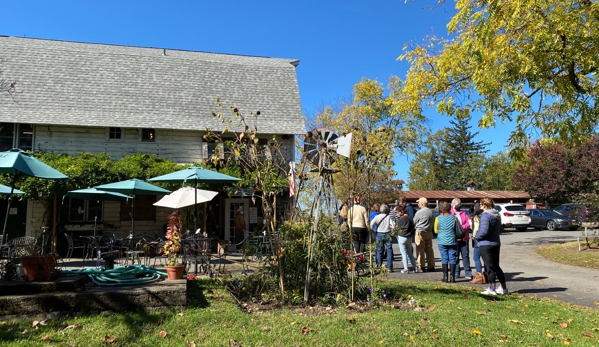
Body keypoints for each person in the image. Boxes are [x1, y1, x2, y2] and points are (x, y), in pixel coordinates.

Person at [475, 198, 508, 295]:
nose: (480, 207)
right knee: (496, 266)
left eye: (481, 205)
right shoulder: (497, 214)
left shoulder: (485, 215)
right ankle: (503, 288)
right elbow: (499, 229)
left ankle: (491, 288)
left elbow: (484, 231)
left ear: (484, 205)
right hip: (496, 243)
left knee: (490, 268)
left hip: (485, 244)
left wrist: (476, 237)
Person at [434, 201, 458, 282]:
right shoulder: (454, 217)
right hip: (452, 240)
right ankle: (452, 277)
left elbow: (436, 230)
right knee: (452, 258)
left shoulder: (437, 218)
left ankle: (445, 277)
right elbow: (456, 228)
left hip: (442, 240)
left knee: (444, 258)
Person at [451, 198, 473, 280]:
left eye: (460, 204)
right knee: (455, 256)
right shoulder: (450, 213)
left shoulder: (463, 213)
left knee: (465, 256)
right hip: (454, 239)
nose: (459, 205)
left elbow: (469, 222)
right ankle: (456, 273)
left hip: (464, 238)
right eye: (458, 204)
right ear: (453, 205)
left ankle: (468, 272)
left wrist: (462, 227)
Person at [413, 197, 435, 272]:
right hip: (429, 231)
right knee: (429, 249)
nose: (418, 204)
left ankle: (421, 266)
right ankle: (431, 266)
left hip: (420, 231)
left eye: (418, 203)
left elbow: (414, 221)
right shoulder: (431, 212)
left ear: (422, 204)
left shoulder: (419, 212)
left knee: (420, 249)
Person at [395, 205, 418, 274]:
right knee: (409, 252)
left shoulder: (400, 220)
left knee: (403, 253)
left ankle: (406, 268)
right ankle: (415, 267)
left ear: (401, 212)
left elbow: (397, 228)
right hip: (409, 237)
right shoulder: (410, 218)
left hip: (402, 236)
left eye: (397, 212)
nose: (396, 214)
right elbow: (413, 227)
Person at [370, 204, 393, 271]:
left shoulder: (377, 217)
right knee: (389, 250)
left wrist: (372, 230)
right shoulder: (388, 217)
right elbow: (393, 226)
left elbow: (371, 224)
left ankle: (379, 266)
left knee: (379, 250)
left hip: (379, 233)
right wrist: (392, 232)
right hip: (387, 233)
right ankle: (389, 266)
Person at [469, 207, 487, 284]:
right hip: (486, 239)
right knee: (485, 258)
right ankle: (487, 275)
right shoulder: (485, 216)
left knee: (476, 257)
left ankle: (479, 275)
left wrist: (473, 235)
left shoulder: (477, 217)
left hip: (478, 238)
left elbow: (476, 228)